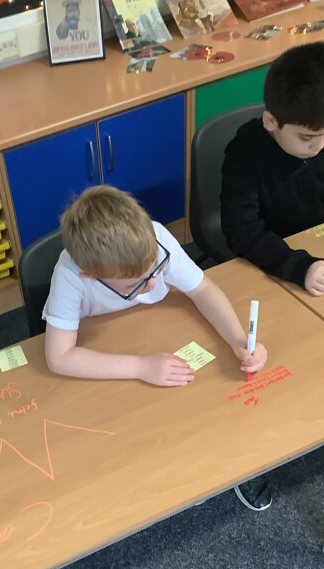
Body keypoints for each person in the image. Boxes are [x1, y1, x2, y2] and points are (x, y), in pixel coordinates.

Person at [43, 185, 267, 471]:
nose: (151, 284)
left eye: (155, 270)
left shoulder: (156, 237)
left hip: (154, 327)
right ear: (90, 275)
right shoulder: (70, 275)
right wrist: (141, 367)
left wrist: (237, 340)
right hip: (106, 350)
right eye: (135, 283)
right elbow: (59, 357)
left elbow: (203, 290)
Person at [221, 41, 324, 511]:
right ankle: (249, 459)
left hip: (319, 257)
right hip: (271, 266)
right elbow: (241, 230)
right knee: (264, 368)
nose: (319, 145)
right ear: (271, 122)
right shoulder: (246, 152)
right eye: (307, 139)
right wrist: (298, 266)